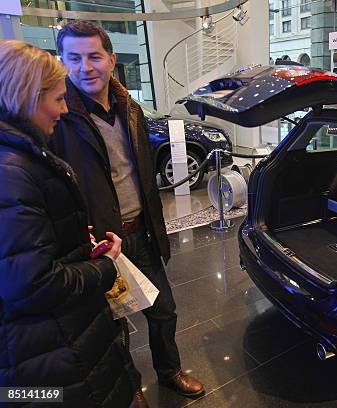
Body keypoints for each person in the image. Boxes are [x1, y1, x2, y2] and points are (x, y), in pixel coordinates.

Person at [49, 21, 205, 397]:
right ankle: (129, 387)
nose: (85, 67)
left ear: (111, 60)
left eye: (94, 56)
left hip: (141, 231)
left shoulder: (129, 107)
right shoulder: (60, 116)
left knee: (163, 311)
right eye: (74, 58)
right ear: (62, 62)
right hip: (99, 243)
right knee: (112, 326)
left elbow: (142, 174)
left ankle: (169, 372)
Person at [0, 40, 140, 407]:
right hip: (48, 353)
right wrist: (103, 268)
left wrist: (75, 243)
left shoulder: (18, 156)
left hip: (49, 347)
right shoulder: (12, 170)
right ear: (28, 96)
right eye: (57, 99)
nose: (63, 109)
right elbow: (32, 283)